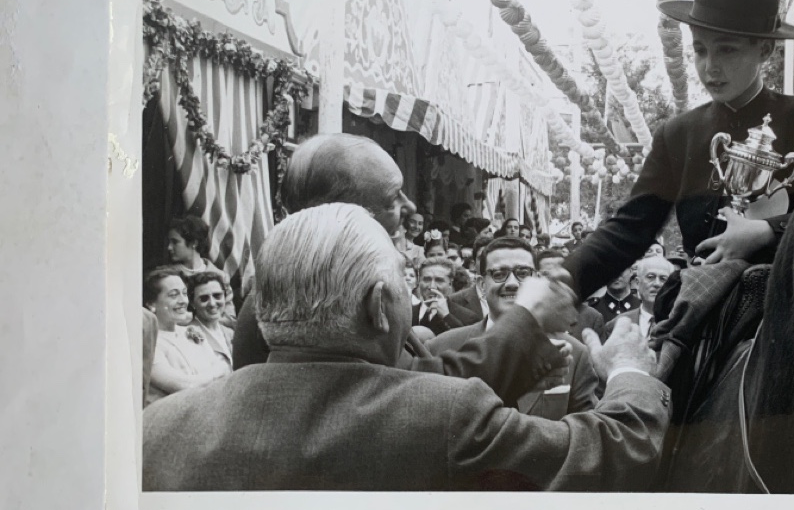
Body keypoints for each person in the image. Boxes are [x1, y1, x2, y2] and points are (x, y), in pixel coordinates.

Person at [144, 204, 670, 492]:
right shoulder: (446, 415)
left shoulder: (157, 430)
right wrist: (629, 373)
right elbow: (612, 453)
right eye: (404, 287)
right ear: (379, 306)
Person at [562, 0, 794, 301]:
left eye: (727, 50)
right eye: (700, 50)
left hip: (790, 303)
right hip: (698, 308)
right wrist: (562, 283)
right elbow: (630, 228)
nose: (709, 66)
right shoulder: (678, 133)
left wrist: (768, 231)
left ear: (765, 51)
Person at [231, 135, 572, 401]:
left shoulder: (323, 282)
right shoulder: (308, 297)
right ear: (342, 212)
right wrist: (527, 319)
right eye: (392, 196)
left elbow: (414, 381)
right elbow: (409, 397)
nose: (409, 206)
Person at [430, 237, 599, 419]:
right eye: (499, 274)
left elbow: (586, 433)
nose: (512, 283)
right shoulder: (441, 348)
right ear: (481, 285)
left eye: (523, 273)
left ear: (537, 279)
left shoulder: (575, 354)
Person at [143, 268, 228, 407]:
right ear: (151, 304)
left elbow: (223, 374)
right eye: (173, 295)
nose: (183, 301)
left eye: (184, 293)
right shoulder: (149, 342)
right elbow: (184, 385)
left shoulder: (191, 331)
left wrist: (202, 378)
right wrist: (215, 373)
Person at [166, 216, 235, 321]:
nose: (169, 247)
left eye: (175, 242)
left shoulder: (220, 276)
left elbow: (230, 318)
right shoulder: (169, 276)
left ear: (194, 243)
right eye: (169, 242)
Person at [537, 248, 605, 342]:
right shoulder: (527, 315)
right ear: (536, 276)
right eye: (546, 273)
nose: (554, 277)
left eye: (559, 272)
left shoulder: (591, 317)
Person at [603, 255, 674, 340]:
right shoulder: (616, 325)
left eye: (663, 279)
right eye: (650, 277)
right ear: (637, 283)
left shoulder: (681, 323)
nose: (657, 284)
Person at [188, 270, 234, 370]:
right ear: (192, 303)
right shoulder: (188, 336)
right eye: (204, 298)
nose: (212, 303)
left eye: (217, 296)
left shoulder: (230, 333)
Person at [412, 256, 468, 336]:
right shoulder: (406, 313)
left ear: (450, 284)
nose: (432, 286)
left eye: (439, 280)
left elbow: (465, 342)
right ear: (419, 281)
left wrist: (446, 316)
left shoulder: (467, 317)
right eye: (427, 280)